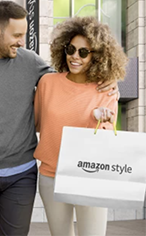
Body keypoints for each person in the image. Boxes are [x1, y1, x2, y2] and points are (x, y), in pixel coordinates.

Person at [0, 1, 118, 236]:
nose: (22, 41)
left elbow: (69, 83)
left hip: (21, 174)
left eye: (24, 35)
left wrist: (107, 79)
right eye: (17, 35)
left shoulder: (30, 62)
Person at [34, 16, 128, 236]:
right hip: (51, 175)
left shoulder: (106, 90)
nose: (75, 57)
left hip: (90, 175)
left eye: (84, 52)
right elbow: (37, 124)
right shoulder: (47, 83)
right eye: (71, 49)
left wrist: (101, 119)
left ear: (97, 56)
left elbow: (106, 136)